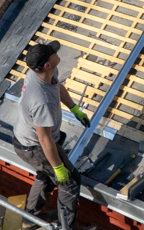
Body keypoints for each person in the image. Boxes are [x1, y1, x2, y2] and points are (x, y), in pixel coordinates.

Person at [12, 40, 91, 230]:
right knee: (70, 182)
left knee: (45, 176)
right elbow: (44, 139)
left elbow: (57, 87)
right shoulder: (41, 101)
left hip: (25, 140)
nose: (57, 53)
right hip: (34, 147)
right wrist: (59, 168)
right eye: (53, 53)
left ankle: (29, 219)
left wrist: (74, 109)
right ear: (47, 64)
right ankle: (66, 227)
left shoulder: (41, 73)